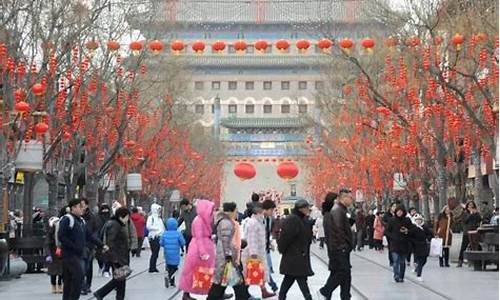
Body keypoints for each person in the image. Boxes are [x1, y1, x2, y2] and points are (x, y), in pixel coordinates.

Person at [59, 199, 106, 300]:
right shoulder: (67, 219)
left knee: (70, 281)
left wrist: (102, 245)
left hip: (78, 254)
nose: (82, 209)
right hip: (69, 255)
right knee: (78, 277)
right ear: (73, 208)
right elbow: (61, 236)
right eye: (80, 207)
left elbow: (89, 235)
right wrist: (74, 247)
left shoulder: (81, 221)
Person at [318, 189, 354, 300]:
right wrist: (345, 246)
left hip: (338, 248)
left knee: (343, 274)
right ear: (342, 198)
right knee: (342, 272)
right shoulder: (337, 211)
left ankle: (344, 296)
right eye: (350, 197)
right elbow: (339, 231)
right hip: (339, 248)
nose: (351, 200)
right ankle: (325, 291)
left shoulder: (340, 210)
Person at [178, 199, 216, 300]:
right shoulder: (199, 220)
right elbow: (199, 237)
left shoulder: (204, 220)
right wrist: (203, 252)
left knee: (203, 272)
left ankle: (207, 292)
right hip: (198, 250)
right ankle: (187, 294)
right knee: (192, 272)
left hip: (202, 248)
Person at [207, 202, 245, 300]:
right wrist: (229, 255)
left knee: (223, 282)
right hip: (225, 257)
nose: (237, 213)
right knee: (221, 283)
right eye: (236, 211)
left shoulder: (225, 221)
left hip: (224, 255)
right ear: (231, 211)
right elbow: (225, 240)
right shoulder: (226, 223)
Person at [277, 199, 314, 300]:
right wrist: (282, 249)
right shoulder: (293, 219)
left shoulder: (302, 219)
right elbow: (286, 237)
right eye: (306, 208)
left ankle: (281, 297)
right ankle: (308, 298)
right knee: (300, 279)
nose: (308, 210)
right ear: (300, 209)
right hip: (294, 255)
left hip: (298, 255)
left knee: (290, 278)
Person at [93, 207, 131, 300]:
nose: (128, 219)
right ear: (121, 217)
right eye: (127, 217)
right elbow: (110, 242)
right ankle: (100, 293)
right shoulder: (115, 225)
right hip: (117, 256)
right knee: (119, 278)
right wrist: (114, 258)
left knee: (121, 279)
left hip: (120, 255)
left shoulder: (118, 224)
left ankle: (119, 297)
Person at [242, 202, 275, 298]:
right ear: (262, 210)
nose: (272, 212)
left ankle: (263, 290)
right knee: (252, 273)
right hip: (253, 252)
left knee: (258, 273)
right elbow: (252, 239)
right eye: (271, 210)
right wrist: (254, 254)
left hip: (258, 251)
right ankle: (244, 293)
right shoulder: (253, 222)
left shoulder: (259, 221)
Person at [386, 205, 415, 282]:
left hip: (404, 244)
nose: (399, 213)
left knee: (402, 262)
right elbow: (387, 231)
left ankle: (401, 276)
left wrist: (407, 231)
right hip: (394, 244)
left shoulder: (407, 220)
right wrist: (393, 237)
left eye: (401, 211)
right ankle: (396, 275)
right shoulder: (392, 220)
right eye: (398, 211)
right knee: (396, 261)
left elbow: (412, 229)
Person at [81, 198, 101, 295]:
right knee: (82, 266)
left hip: (89, 245)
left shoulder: (92, 217)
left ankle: (87, 285)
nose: (81, 206)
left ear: (87, 205)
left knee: (88, 266)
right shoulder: (77, 217)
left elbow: (96, 230)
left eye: (82, 204)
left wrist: (94, 242)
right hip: (79, 245)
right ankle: (83, 286)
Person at [45, 206, 67, 294]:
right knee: (53, 272)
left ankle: (60, 284)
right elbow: (47, 243)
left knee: (61, 271)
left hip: (60, 251)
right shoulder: (51, 233)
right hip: (53, 252)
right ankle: (53, 285)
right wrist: (48, 254)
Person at [160, 217, 186, 288]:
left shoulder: (164, 234)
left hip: (167, 254)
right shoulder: (178, 234)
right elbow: (183, 242)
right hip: (175, 254)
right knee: (174, 268)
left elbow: (161, 243)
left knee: (168, 266)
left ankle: (169, 278)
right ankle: (170, 279)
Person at [458, 200, 482, 267]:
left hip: (474, 231)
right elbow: (465, 221)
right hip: (467, 232)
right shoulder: (465, 213)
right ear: (467, 206)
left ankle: (473, 261)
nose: (471, 206)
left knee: (474, 246)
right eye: (469, 205)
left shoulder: (476, 213)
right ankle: (460, 261)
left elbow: (479, 219)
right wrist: (471, 214)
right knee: (463, 247)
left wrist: (476, 213)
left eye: (472, 205)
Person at [262, 199, 279, 294]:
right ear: (266, 209)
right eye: (271, 210)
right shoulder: (259, 218)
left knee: (264, 269)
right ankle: (274, 287)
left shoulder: (269, 219)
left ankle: (265, 290)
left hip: (265, 246)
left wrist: (269, 243)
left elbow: (267, 232)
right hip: (258, 248)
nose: (272, 212)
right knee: (264, 269)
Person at [410, 214, 433, 281]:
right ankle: (419, 275)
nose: (418, 221)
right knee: (420, 260)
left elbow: (430, 234)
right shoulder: (413, 228)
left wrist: (428, 239)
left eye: (420, 220)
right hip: (417, 246)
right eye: (417, 220)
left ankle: (417, 269)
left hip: (424, 245)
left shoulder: (425, 227)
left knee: (424, 260)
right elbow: (410, 237)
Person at [146, 203, 165, 273]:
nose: (159, 211)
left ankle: (153, 266)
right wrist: (157, 229)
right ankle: (152, 267)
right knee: (154, 252)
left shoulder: (159, 218)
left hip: (159, 237)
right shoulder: (151, 218)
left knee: (156, 253)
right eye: (158, 210)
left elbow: (162, 227)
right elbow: (148, 226)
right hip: (153, 237)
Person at [96, 203, 112, 277]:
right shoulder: (97, 218)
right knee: (99, 255)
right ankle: (101, 266)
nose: (105, 211)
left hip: (109, 239)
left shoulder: (111, 218)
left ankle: (106, 269)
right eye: (103, 209)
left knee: (108, 255)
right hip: (99, 239)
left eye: (106, 210)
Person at [382, 202, 398, 266]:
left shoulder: (398, 214)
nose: (395, 207)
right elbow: (383, 222)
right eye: (393, 206)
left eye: (396, 206)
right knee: (391, 246)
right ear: (391, 207)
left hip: (397, 233)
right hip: (389, 233)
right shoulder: (387, 215)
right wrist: (388, 225)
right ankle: (391, 260)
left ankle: (396, 260)